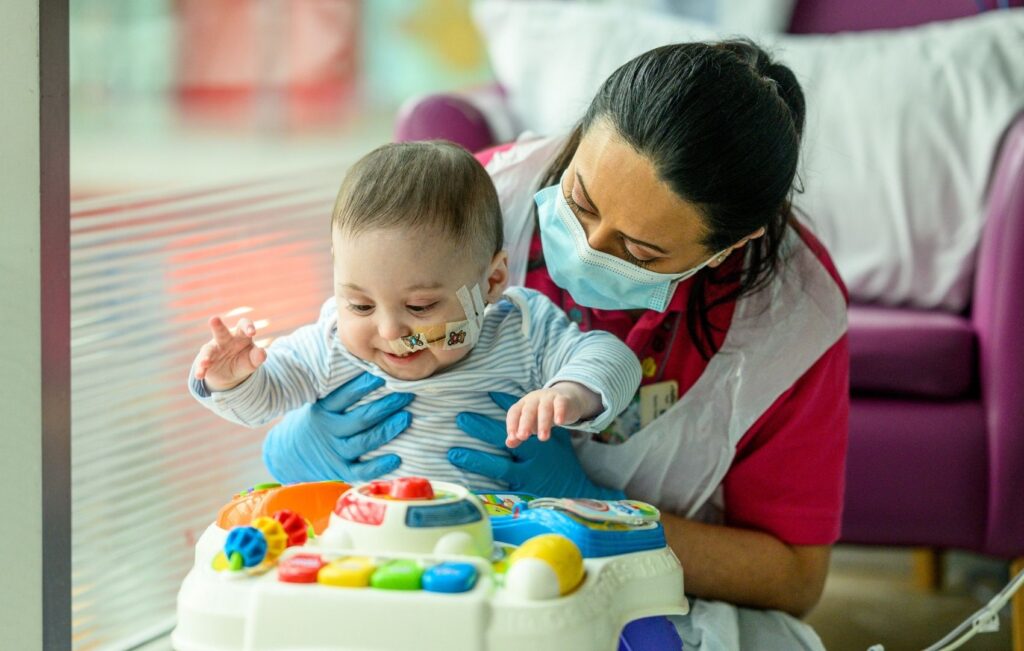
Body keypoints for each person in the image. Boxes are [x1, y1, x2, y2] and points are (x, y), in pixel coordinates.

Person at [263, 41, 848, 650]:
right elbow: (338, 337)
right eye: (580, 201)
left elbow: (795, 580)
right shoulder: (468, 208)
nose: (590, 245)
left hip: (640, 593)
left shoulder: (793, 321)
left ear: (732, 243)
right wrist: (300, 449)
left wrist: (591, 509)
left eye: (640, 252)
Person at [188, 141, 640, 490]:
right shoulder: (331, 342)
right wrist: (231, 379)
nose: (388, 331)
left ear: (491, 282)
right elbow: (263, 400)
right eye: (360, 304)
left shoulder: (520, 329)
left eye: (420, 307)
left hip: (499, 550)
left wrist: (570, 393)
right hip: (366, 550)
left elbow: (613, 358)